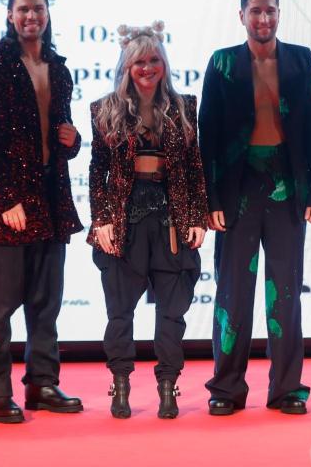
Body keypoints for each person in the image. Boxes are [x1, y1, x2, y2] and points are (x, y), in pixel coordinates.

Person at [200, 0, 311, 416]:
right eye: (255, 11)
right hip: (236, 190)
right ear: (241, 16)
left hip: (287, 187)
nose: (264, 19)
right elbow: (209, 136)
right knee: (233, 292)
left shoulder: (301, 59)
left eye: (271, 11)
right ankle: (226, 389)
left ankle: (287, 389)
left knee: (286, 295)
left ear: (279, 14)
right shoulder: (221, 62)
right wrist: (210, 198)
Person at [0, 0, 84, 424]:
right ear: (10, 15)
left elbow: (60, 133)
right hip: (6, 205)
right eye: (23, 9)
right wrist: (5, 199)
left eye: (38, 8)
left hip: (51, 198)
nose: (31, 16)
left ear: (47, 14)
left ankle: (42, 384)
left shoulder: (59, 69)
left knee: (45, 301)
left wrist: (72, 141)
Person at [88, 21, 207, 419]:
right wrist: (101, 220)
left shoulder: (184, 107)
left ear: (164, 64)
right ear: (126, 65)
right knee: (120, 311)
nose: (147, 67)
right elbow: (97, 170)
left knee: (172, 311)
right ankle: (120, 385)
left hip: (171, 220)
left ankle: (168, 386)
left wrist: (198, 217)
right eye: (139, 60)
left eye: (154, 59)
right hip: (124, 221)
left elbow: (193, 167)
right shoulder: (104, 109)